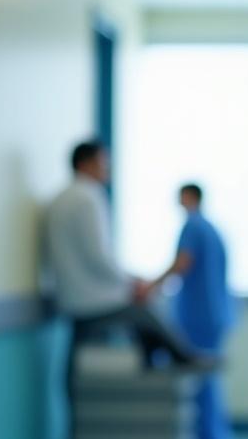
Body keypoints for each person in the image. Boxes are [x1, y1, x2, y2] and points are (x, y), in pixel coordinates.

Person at [46, 140, 204, 368]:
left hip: (72, 297)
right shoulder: (88, 197)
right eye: (103, 162)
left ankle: (159, 362)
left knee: (142, 319)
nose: (107, 168)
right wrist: (133, 283)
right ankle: (180, 358)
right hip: (91, 300)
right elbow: (98, 256)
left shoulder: (61, 198)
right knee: (146, 312)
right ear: (85, 164)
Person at [149, 183, 236, 439]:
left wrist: (152, 286)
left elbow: (182, 264)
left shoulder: (193, 227)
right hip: (214, 313)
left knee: (200, 378)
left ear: (190, 198)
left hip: (199, 315)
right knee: (208, 379)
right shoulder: (212, 229)